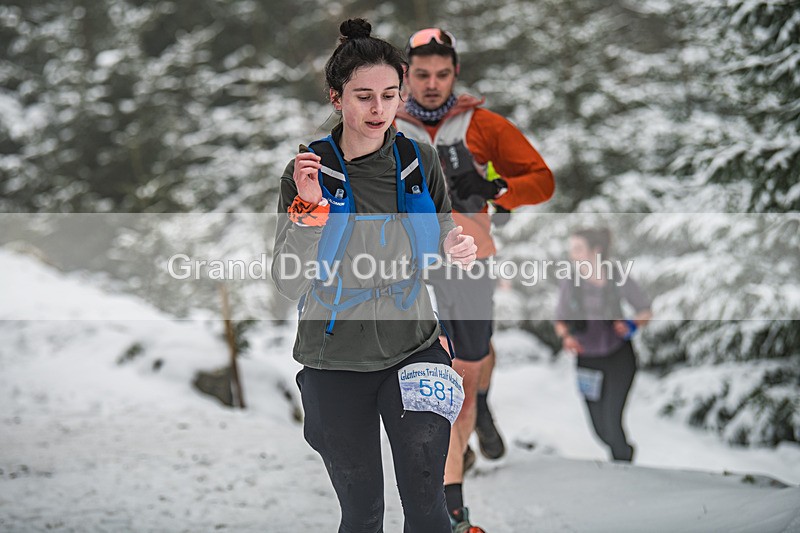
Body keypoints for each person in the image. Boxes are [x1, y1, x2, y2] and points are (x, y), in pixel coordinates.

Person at [271, 18, 477, 533]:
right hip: (334, 356)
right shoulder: (309, 171)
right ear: (337, 99)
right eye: (364, 96)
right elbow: (288, 279)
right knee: (362, 514)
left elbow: (444, 233)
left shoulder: (417, 159)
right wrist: (310, 211)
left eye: (390, 94)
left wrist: (455, 245)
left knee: (429, 506)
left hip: (414, 343)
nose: (379, 108)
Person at [394, 27, 554, 530]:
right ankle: (454, 508)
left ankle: (482, 405)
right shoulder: (386, 126)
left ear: (455, 73)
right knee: (442, 383)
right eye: (421, 75)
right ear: (406, 76)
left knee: (474, 362)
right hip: (415, 270)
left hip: (471, 267)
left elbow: (541, 180)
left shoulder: (483, 125)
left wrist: (494, 186)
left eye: (442, 74)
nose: (432, 84)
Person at [553, 228, 652, 462]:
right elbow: (559, 319)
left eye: (578, 249)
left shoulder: (617, 276)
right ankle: (624, 454)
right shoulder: (570, 281)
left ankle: (623, 467)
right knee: (600, 429)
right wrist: (566, 336)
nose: (573, 255)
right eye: (571, 250)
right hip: (587, 361)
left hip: (619, 357)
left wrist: (631, 325)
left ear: (595, 251)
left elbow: (645, 309)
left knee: (612, 421)